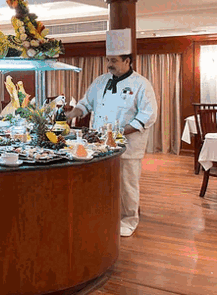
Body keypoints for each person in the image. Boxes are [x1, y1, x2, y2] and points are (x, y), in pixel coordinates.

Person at [65, 52, 157, 238]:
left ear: (127, 61)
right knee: (101, 182)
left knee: (127, 185)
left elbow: (148, 115)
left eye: (114, 60)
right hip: (99, 145)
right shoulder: (100, 81)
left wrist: (118, 132)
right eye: (108, 60)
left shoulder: (141, 84)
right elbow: (85, 104)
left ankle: (129, 220)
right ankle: (105, 216)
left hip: (128, 145)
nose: (109, 64)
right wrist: (71, 114)